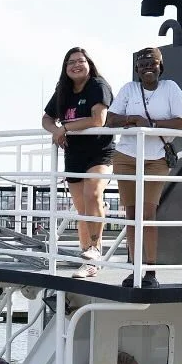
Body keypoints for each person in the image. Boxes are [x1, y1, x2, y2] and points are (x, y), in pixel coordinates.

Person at [106, 46, 182, 288]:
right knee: (132, 216)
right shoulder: (129, 89)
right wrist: (132, 120)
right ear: (137, 70)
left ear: (160, 66)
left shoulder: (170, 88)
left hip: (155, 158)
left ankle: (150, 271)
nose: (147, 69)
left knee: (148, 215)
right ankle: (134, 268)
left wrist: (150, 124)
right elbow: (111, 119)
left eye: (152, 64)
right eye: (142, 65)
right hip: (126, 156)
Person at [41, 47, 115, 279]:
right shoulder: (63, 90)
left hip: (99, 152)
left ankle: (94, 251)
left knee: (93, 193)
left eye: (81, 61)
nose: (76, 65)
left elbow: (98, 119)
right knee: (83, 209)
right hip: (74, 155)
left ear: (89, 64)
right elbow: (46, 118)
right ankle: (88, 258)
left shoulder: (98, 86)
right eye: (71, 62)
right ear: (65, 68)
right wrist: (55, 131)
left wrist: (65, 128)